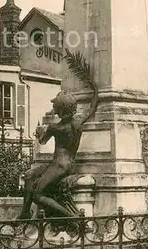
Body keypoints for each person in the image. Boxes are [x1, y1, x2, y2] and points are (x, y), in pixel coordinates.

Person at [17, 88, 98, 219]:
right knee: (29, 175)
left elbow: (42, 141)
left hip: (59, 166)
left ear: (60, 110)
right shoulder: (78, 122)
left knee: (37, 195)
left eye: (56, 107)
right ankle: (24, 213)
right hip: (68, 165)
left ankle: (72, 218)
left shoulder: (56, 128)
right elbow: (91, 109)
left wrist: (39, 133)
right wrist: (94, 88)